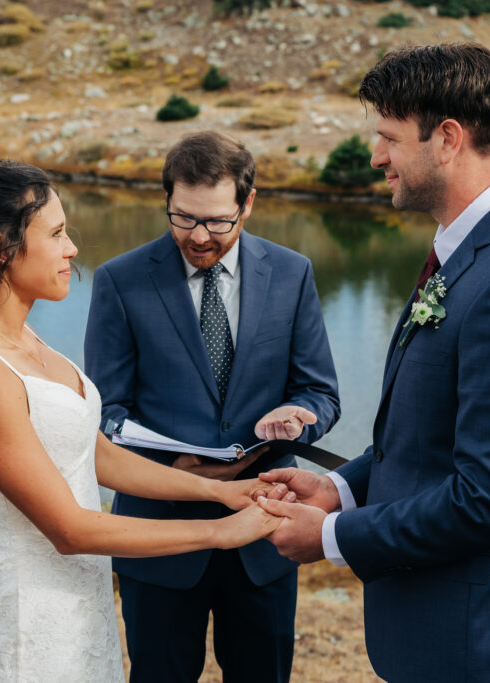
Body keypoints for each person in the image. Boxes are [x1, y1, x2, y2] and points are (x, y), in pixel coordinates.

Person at [257, 43, 490, 682]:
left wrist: (330, 539)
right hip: (446, 626)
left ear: (446, 139)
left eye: (388, 136)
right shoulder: (471, 252)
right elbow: (429, 438)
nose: (375, 155)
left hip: (475, 637)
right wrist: (341, 488)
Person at [0, 160, 283, 682]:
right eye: (57, 233)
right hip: (29, 618)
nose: (72, 249)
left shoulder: (26, 340)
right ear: (1, 248)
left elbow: (97, 455)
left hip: (80, 603)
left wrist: (222, 493)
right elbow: (69, 528)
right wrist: (222, 532)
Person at [85, 131, 340, 683]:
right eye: (184, 218)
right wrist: (170, 466)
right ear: (167, 202)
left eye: (218, 222)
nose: (199, 236)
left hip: (265, 530)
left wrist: (300, 414)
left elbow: (321, 392)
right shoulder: (120, 281)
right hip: (156, 537)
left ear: (247, 204)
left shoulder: (292, 274)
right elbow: (103, 414)